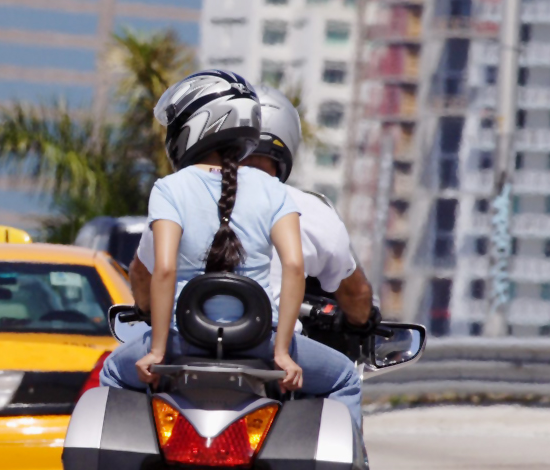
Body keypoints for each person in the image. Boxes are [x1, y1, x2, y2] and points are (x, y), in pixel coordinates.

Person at [118, 84, 367, 428]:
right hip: (259, 343)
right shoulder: (273, 190)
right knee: (345, 378)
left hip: (182, 340)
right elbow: (294, 267)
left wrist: (158, 351)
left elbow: (163, 269)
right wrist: (282, 353)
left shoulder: (169, 188)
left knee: (112, 372)